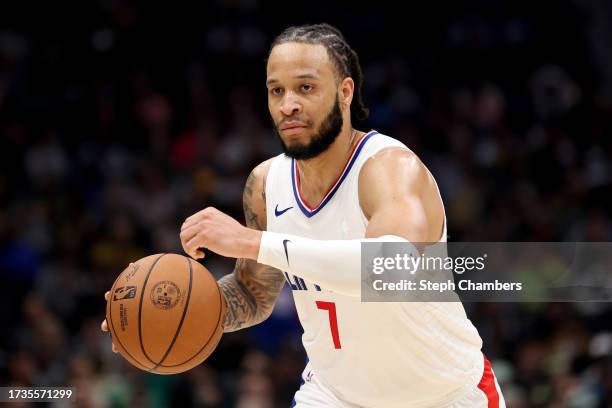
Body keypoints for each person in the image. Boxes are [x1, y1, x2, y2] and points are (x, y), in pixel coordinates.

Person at [103, 23, 505, 407]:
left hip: (444, 397)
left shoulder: (390, 169)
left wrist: (252, 241)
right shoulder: (265, 183)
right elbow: (251, 294)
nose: (288, 104)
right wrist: (159, 312)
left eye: (305, 88)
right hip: (334, 396)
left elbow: (391, 270)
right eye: (276, 90)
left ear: (345, 92)